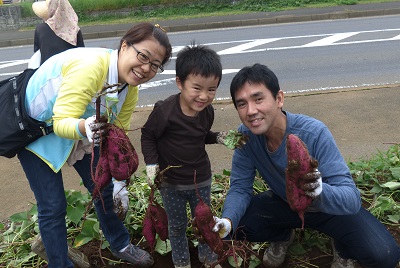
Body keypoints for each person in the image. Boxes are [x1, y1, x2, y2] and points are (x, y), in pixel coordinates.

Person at [211, 63, 400, 268]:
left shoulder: (314, 132)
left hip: (329, 209)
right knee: (233, 228)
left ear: (279, 99)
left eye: (258, 99)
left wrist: (319, 190)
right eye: (241, 104)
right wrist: (228, 220)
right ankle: (282, 235)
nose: (251, 111)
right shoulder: (245, 138)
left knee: (384, 255)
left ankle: (343, 246)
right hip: (285, 203)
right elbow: (240, 188)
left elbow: (351, 198)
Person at [18, 22, 172, 268]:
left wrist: (120, 180)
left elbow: (117, 133)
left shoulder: (129, 88)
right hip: (39, 129)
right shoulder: (91, 68)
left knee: (104, 189)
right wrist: (84, 128)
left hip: (82, 127)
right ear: (124, 46)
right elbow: (60, 123)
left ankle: (120, 243)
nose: (146, 68)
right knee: (53, 206)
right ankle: (60, 264)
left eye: (155, 65)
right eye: (143, 56)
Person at [141, 44, 245, 268]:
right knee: (176, 226)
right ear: (180, 82)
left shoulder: (207, 111)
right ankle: (181, 262)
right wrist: (151, 163)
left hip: (201, 179)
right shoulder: (165, 112)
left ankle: (207, 258)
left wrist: (217, 137)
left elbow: (199, 136)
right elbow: (148, 136)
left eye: (211, 89)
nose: (204, 96)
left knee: (204, 222)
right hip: (171, 183)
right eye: (197, 88)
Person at [32, 0, 85, 65]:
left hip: (47, 71)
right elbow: (82, 54)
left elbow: (37, 51)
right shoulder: (74, 30)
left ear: (50, 9)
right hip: (69, 71)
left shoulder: (40, 29)